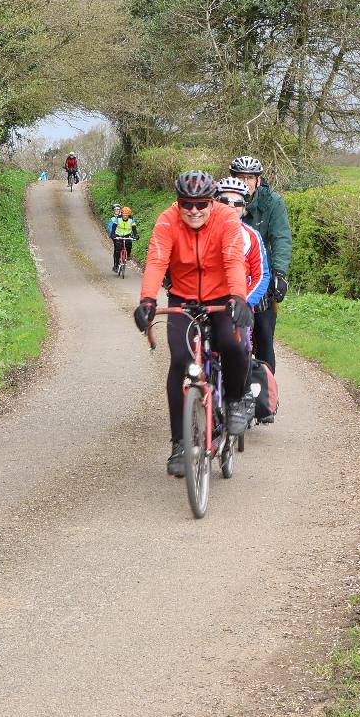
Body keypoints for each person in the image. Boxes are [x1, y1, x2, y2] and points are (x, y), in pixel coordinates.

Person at [133, 171, 255, 478]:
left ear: (211, 202)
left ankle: (236, 402)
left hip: (222, 296)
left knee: (232, 343)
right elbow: (157, 260)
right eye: (186, 204)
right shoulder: (167, 220)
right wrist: (148, 300)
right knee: (180, 362)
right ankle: (180, 444)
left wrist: (239, 298)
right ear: (178, 202)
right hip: (183, 299)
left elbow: (232, 260)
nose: (194, 211)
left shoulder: (226, 219)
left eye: (201, 204)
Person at [229, 155, 292, 424]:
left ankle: (266, 399)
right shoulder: (224, 201)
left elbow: (281, 237)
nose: (245, 183)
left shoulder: (272, 203)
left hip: (262, 278)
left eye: (250, 179)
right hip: (231, 281)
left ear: (258, 180)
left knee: (264, 336)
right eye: (240, 178)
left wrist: (279, 273)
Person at [109, 205, 138, 274]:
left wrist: (136, 235)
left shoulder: (131, 220)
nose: (125, 216)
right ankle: (116, 265)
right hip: (118, 235)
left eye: (127, 215)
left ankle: (128, 255)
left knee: (129, 244)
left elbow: (134, 228)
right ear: (121, 214)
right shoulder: (118, 219)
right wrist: (112, 234)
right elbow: (114, 227)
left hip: (127, 235)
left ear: (129, 215)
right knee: (118, 250)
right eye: (124, 215)